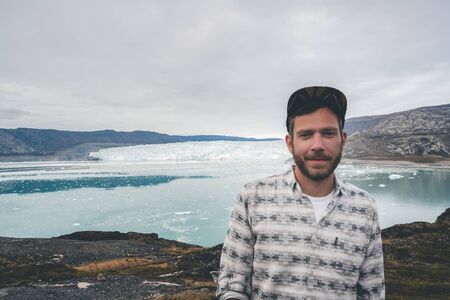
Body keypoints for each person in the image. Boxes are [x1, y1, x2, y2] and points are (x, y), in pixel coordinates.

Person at [216, 86, 385, 299]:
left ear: (342, 139)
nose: (318, 145)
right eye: (306, 135)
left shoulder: (364, 207)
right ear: (290, 143)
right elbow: (232, 285)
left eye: (328, 133)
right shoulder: (253, 197)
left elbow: (372, 293)